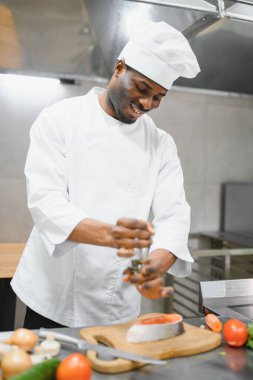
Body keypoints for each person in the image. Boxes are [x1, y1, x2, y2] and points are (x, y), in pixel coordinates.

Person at [11, 20, 200, 329]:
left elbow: (174, 214)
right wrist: (110, 235)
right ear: (119, 67)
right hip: (53, 298)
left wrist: (160, 257)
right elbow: (45, 201)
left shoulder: (161, 143)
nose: (147, 103)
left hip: (117, 305)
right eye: (142, 88)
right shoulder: (61, 119)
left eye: (159, 96)